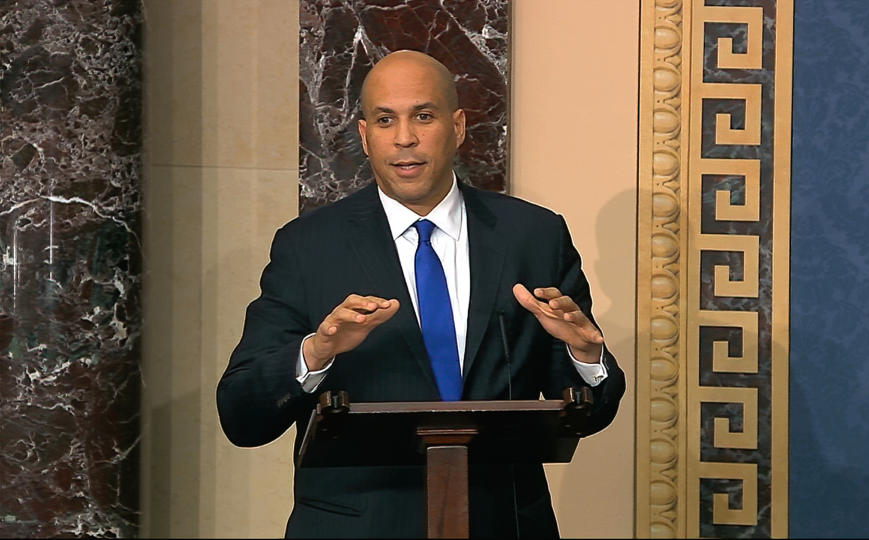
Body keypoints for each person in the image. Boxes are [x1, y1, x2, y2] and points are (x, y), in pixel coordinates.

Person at [216, 50, 625, 538]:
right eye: (386, 120)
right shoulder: (308, 246)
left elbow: (588, 414)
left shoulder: (532, 236)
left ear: (458, 126)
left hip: (503, 523)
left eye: (423, 116)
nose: (404, 138)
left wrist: (586, 355)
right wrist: (316, 352)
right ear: (365, 137)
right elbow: (242, 416)